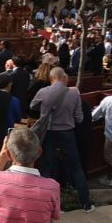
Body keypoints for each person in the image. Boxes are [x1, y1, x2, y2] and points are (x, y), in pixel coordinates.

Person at [29, 67, 93, 211]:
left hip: (49, 132)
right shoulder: (74, 93)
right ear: (64, 78)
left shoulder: (43, 92)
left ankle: (43, 204)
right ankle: (86, 203)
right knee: (76, 168)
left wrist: (45, 110)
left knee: (46, 168)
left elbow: (33, 106)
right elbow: (79, 118)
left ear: (51, 78)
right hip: (67, 132)